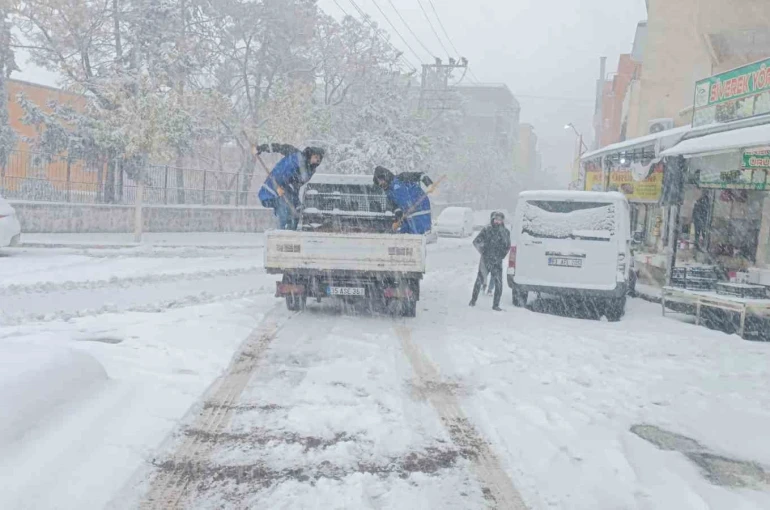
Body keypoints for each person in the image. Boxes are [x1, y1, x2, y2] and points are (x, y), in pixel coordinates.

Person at [258, 144, 325, 230]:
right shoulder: (296, 154)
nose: (317, 161)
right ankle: (280, 236)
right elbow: (279, 147)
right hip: (271, 190)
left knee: (295, 216)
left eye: (319, 160)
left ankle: (290, 236)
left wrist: (297, 204)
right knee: (284, 211)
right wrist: (260, 148)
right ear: (310, 154)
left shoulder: (309, 171)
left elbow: (295, 185)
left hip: (285, 193)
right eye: (315, 157)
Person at [373, 166, 434, 235]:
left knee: (419, 233)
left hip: (421, 207)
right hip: (408, 213)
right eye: (379, 182)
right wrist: (398, 215)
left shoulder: (401, 178)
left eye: (381, 180)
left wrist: (429, 183)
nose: (381, 183)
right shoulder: (389, 192)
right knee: (404, 233)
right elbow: (394, 205)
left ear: (385, 177)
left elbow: (420, 175)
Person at [469, 211, 511, 311]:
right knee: (479, 280)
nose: (498, 221)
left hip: (497, 262)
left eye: (500, 220)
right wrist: (483, 251)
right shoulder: (487, 230)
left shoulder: (505, 232)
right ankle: (473, 300)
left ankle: (496, 305)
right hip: (485, 260)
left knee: (498, 283)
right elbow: (476, 241)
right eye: (496, 219)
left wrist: (500, 256)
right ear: (492, 219)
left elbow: (507, 246)